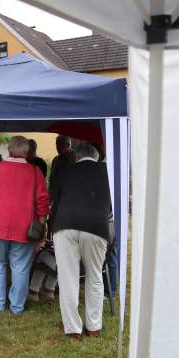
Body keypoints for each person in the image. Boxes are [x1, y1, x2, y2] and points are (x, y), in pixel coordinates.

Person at [0, 136, 49, 314]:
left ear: (9, 150)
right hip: (24, 227)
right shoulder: (35, 172)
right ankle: (17, 306)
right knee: (20, 266)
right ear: (27, 152)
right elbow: (43, 202)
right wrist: (41, 224)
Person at [51, 142, 111, 338]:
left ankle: (73, 329)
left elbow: (55, 200)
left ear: (76, 156)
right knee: (95, 276)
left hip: (65, 224)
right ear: (95, 156)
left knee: (68, 278)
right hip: (96, 226)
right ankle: (94, 327)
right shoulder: (108, 171)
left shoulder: (66, 171)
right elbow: (112, 205)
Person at [49, 135, 76, 200]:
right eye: (56, 144)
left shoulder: (75, 158)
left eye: (60, 144)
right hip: (56, 197)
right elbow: (52, 178)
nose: (57, 147)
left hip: (70, 197)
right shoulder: (55, 159)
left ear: (68, 145)